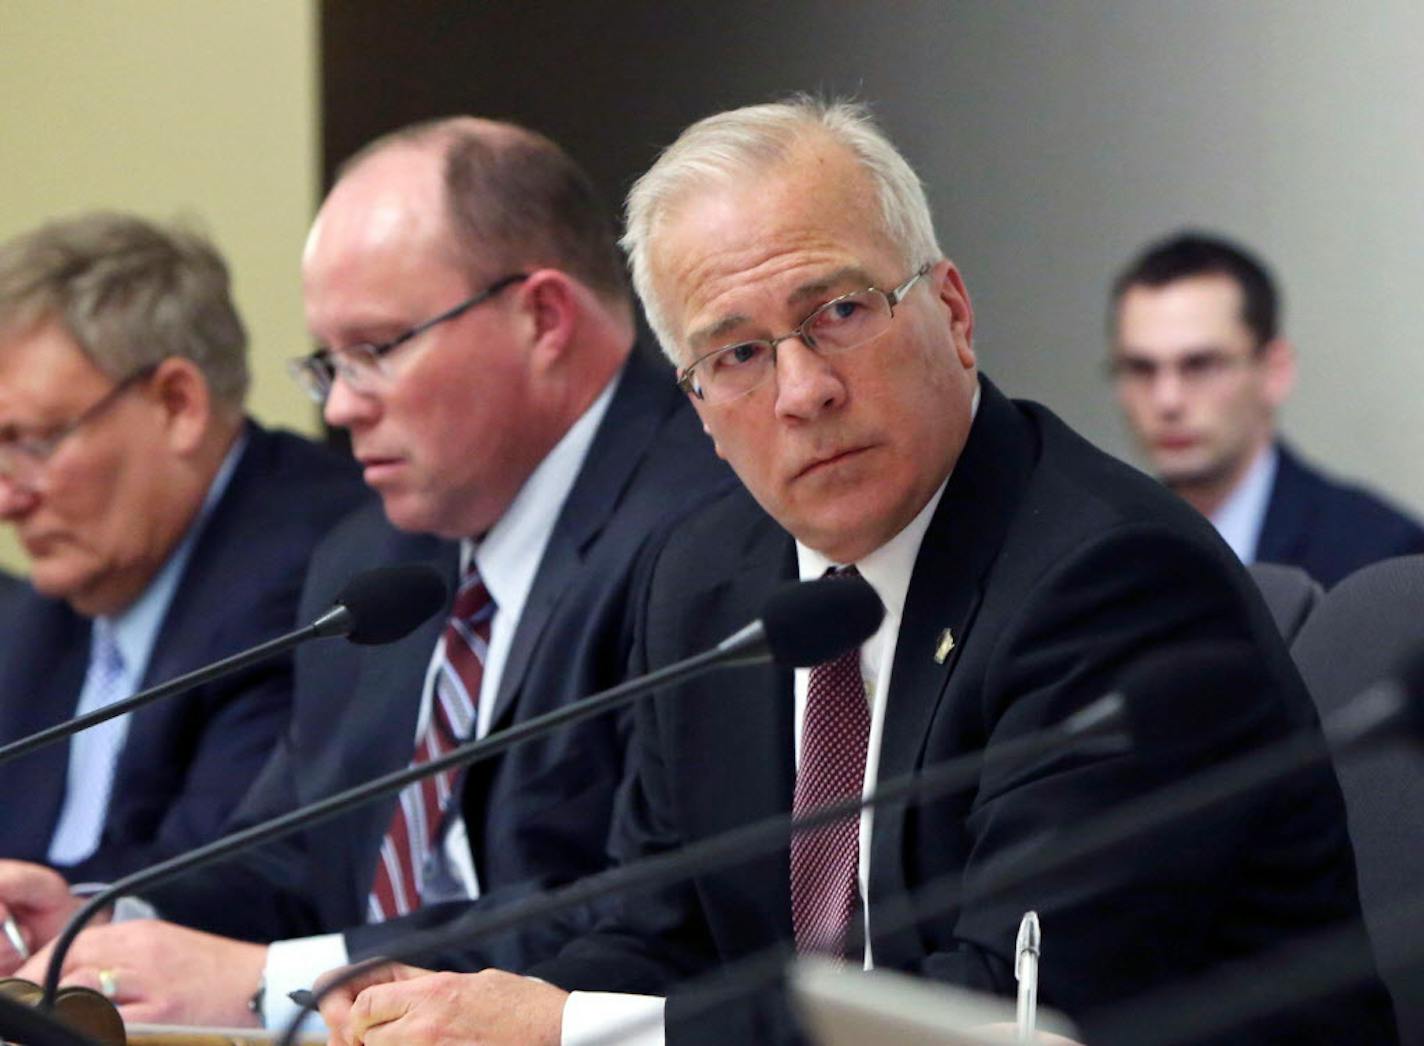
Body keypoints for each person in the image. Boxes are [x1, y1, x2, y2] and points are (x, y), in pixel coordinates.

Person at [315, 99, 1397, 1046]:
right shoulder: (704, 584)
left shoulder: (1109, 581)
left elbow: (1005, 1015)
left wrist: (563, 1029)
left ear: (952, 312)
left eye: (836, 312)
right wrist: (480, 1014)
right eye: (735, 352)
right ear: (695, 403)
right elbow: (665, 937)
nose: (800, 391)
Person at [2, 118, 729, 1030]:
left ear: (542, 318)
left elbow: (638, 917)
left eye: (377, 349)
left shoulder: (703, 532)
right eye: (328, 364)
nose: (341, 406)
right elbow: (290, 857)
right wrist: (107, 919)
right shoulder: (375, 558)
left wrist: (276, 979)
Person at [0, 213, 367, 883]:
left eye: (35, 443)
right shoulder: (43, 608)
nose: (7, 500)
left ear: (178, 404)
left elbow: (213, 883)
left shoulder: (325, 571)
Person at [1109, 232, 1424, 587]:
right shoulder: (1100, 558)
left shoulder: (1380, 557)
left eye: (1200, 365)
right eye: (1141, 369)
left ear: (1275, 372)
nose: (1167, 400)